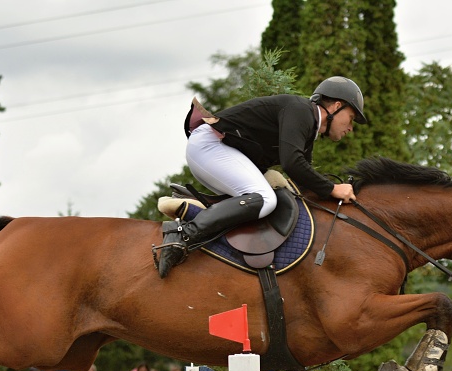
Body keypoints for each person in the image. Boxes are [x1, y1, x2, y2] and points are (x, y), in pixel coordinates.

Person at [155, 76, 366, 277]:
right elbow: (292, 163)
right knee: (265, 199)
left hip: (214, 150)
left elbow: (303, 178)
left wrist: (332, 197)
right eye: (351, 118)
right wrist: (333, 189)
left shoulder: (307, 125)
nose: (350, 128)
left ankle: (199, 218)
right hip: (210, 146)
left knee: (259, 202)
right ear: (336, 106)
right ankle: (183, 234)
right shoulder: (301, 110)